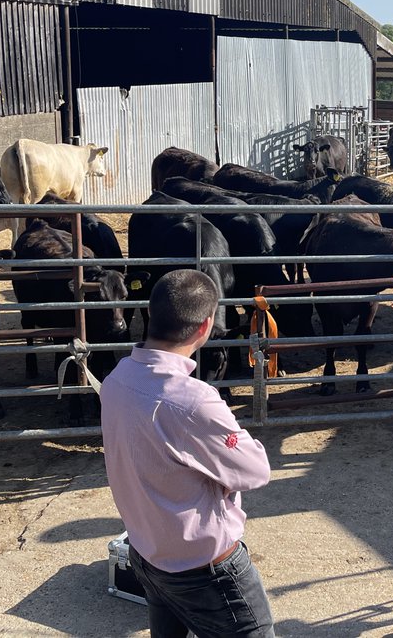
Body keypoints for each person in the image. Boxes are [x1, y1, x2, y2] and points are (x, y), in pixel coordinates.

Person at [101, 269, 275, 638]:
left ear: (149, 312)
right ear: (205, 326)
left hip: (148, 553)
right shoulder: (194, 400)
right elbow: (255, 470)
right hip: (206, 571)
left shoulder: (117, 379)